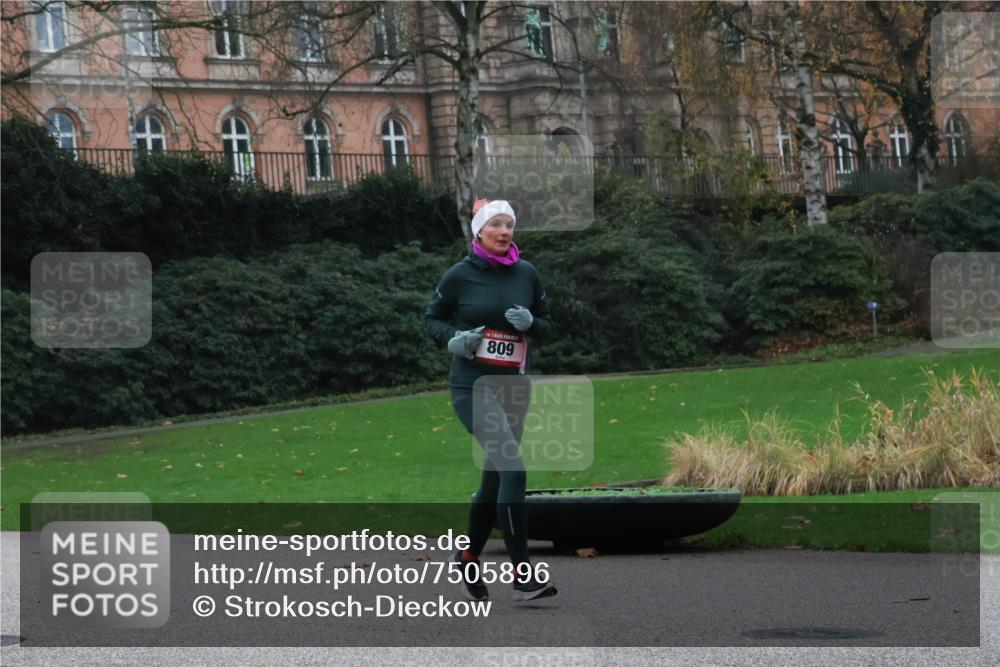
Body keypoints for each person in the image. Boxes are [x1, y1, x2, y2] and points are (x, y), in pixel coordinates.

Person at [423, 199, 558, 603]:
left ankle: (467, 556)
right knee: (513, 470)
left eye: (509, 224)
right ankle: (522, 577)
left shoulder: (527, 273)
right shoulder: (459, 275)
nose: (504, 231)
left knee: (494, 478)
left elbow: (548, 324)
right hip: (472, 387)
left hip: (514, 387)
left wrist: (533, 324)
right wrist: (454, 339)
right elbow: (431, 318)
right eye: (495, 224)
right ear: (479, 232)